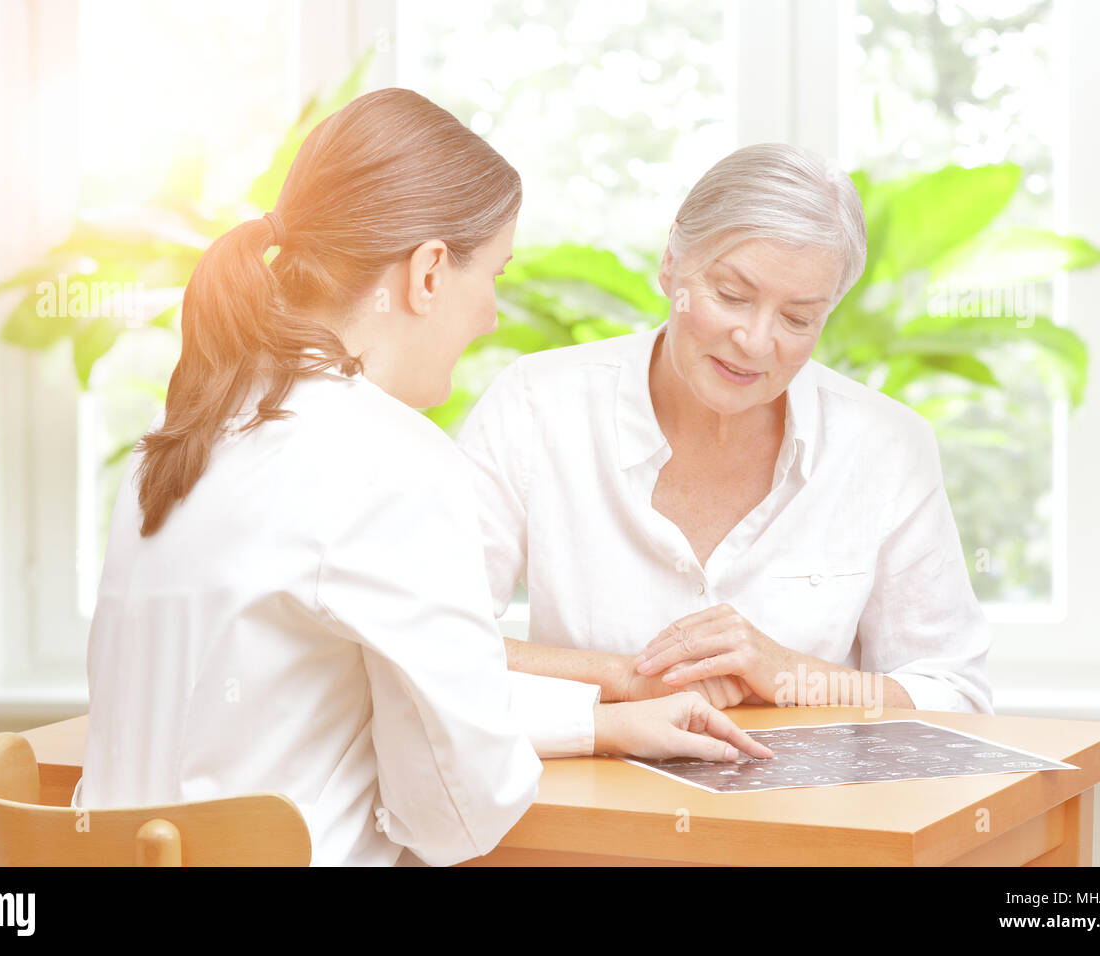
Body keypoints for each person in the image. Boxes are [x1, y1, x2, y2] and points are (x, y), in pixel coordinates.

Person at [74, 89, 770, 868]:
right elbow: (451, 814)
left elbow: (347, 708)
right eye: (493, 275)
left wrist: (596, 723)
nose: (493, 315)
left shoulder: (180, 444)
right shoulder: (390, 459)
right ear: (430, 272)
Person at [455, 143, 993, 716]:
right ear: (671, 264)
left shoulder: (885, 446)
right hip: (594, 803)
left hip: (811, 806)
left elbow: (954, 694)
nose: (756, 343)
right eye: (732, 296)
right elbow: (433, 639)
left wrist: (792, 676)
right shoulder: (538, 406)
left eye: (798, 318)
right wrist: (626, 680)